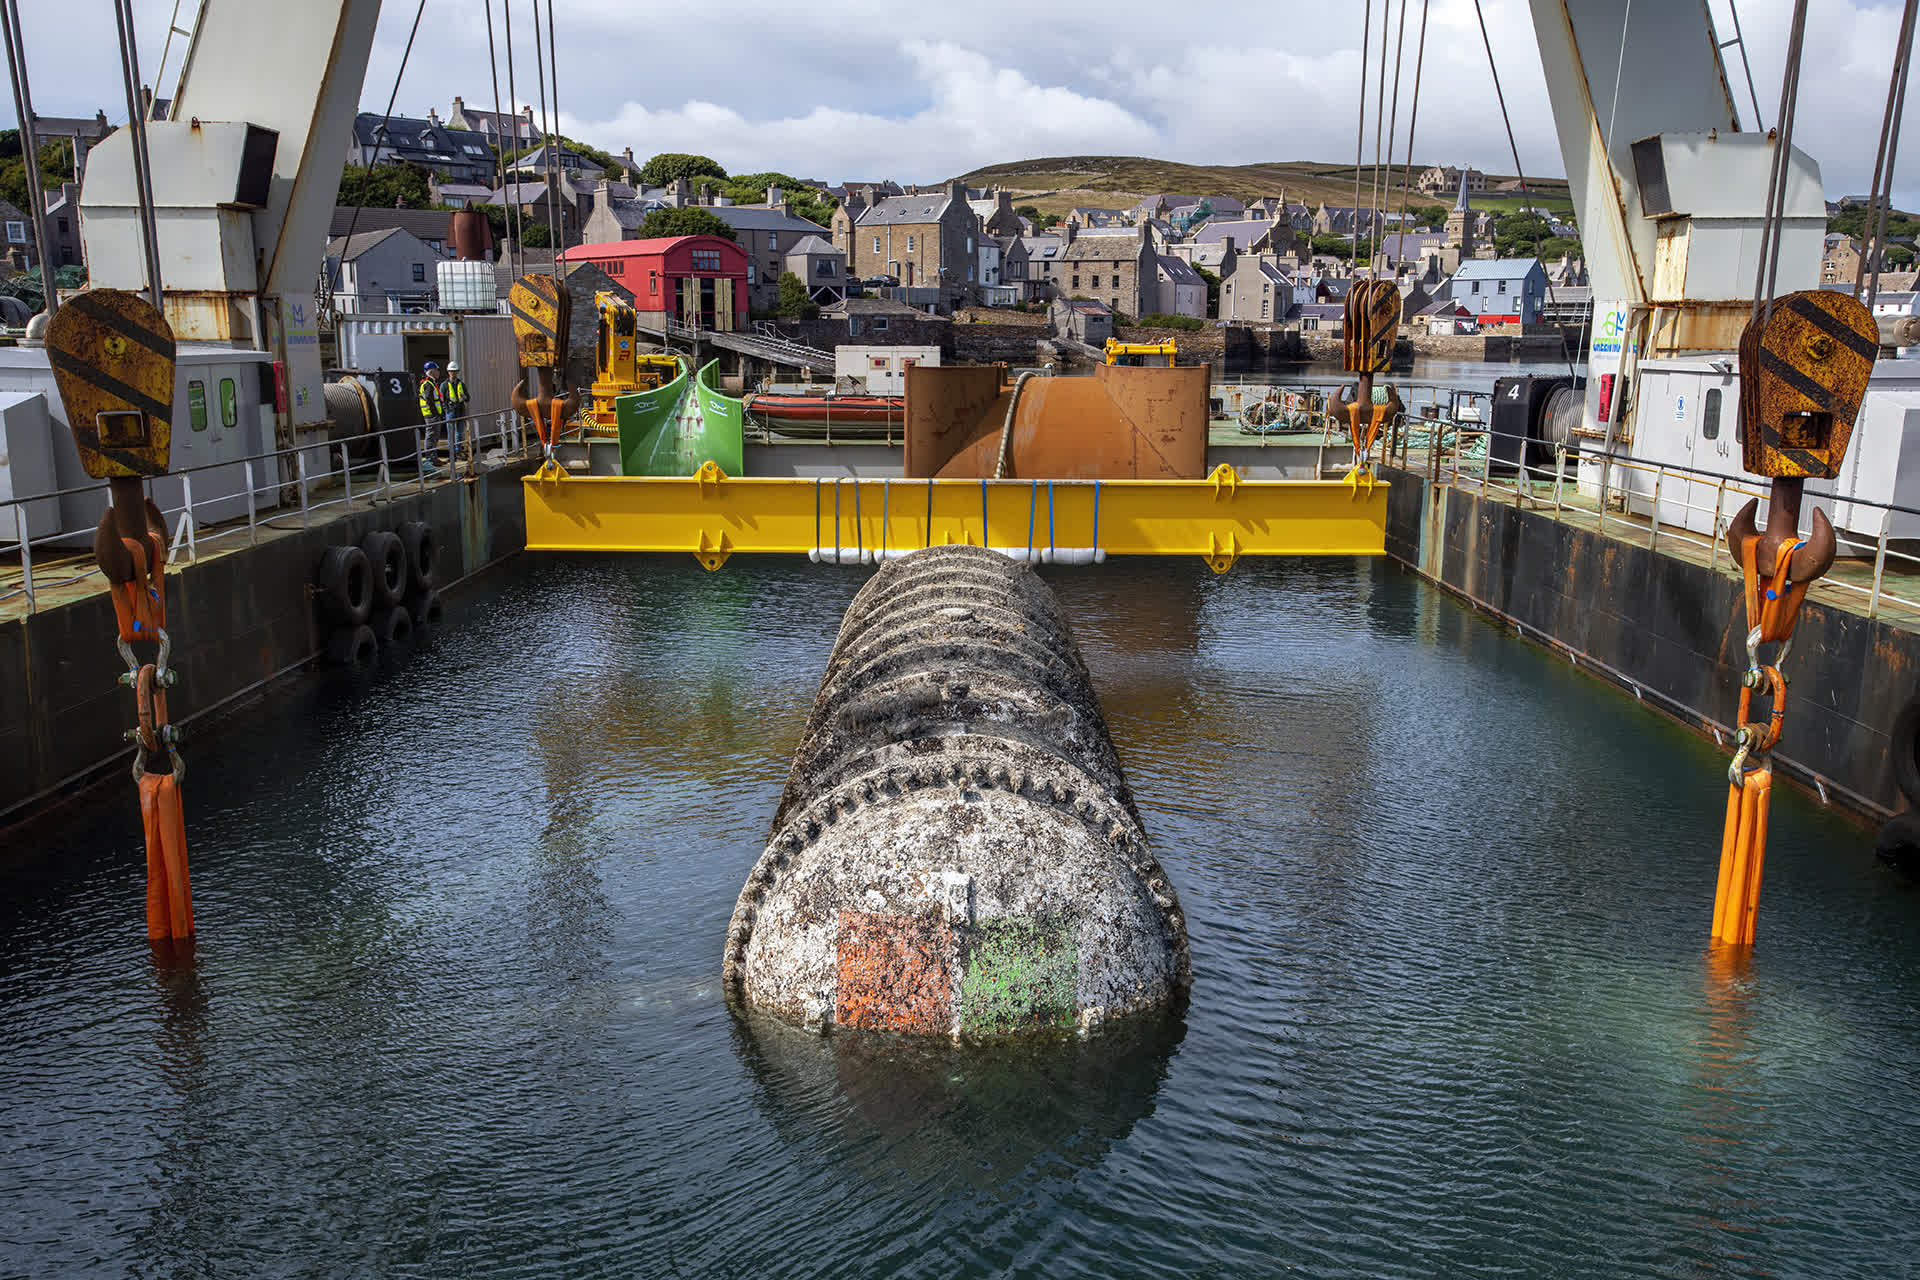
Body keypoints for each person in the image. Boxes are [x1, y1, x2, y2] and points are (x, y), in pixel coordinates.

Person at [416, 361, 447, 474]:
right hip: (431, 415)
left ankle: (433, 457)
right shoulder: (428, 384)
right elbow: (430, 401)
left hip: (434, 415)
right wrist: (436, 414)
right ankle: (430, 458)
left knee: (434, 436)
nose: (439, 372)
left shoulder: (431, 383)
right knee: (431, 436)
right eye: (437, 370)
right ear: (432, 371)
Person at [443, 360, 472, 466]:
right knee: (451, 433)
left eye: (455, 371)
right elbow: (442, 399)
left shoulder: (461, 384)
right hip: (450, 411)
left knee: (459, 433)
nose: (453, 373)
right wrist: (446, 409)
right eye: (451, 371)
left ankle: (458, 451)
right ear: (448, 372)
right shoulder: (444, 385)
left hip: (460, 410)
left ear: (457, 372)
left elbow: (468, 398)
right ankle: (452, 454)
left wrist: (464, 397)